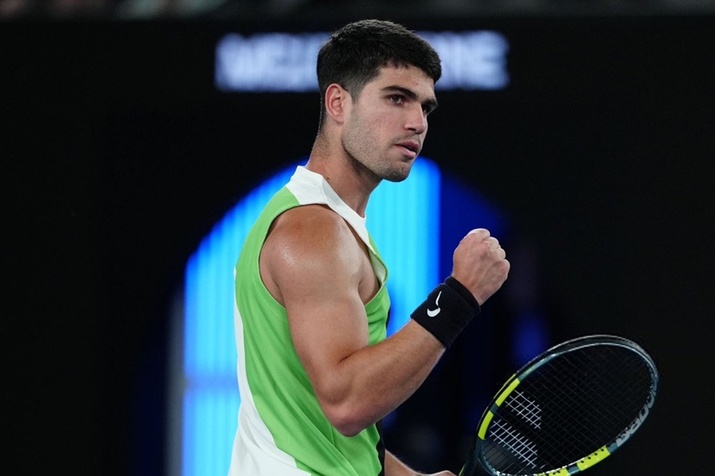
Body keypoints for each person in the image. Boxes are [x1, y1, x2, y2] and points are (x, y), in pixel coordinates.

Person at [228, 19, 510, 476]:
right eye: (396, 98)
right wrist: (460, 296)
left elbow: (320, 422)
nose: (417, 122)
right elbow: (347, 403)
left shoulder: (333, 224)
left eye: (425, 107)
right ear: (338, 103)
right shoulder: (312, 231)